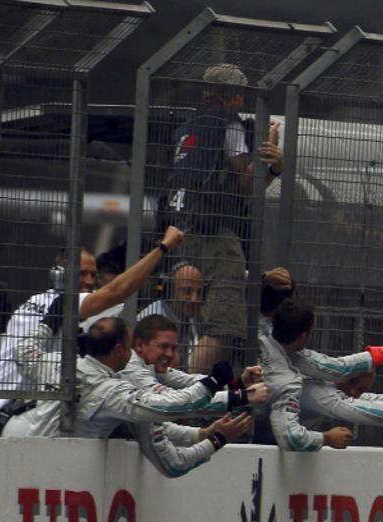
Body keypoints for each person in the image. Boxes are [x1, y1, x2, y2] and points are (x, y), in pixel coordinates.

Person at [0, 226, 185, 433]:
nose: (90, 282)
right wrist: (164, 247)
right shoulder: (66, 303)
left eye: (93, 275)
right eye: (82, 274)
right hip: (10, 413)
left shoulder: (35, 301)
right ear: (59, 275)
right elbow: (119, 290)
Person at [167, 63, 284, 372]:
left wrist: (271, 169)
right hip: (215, 233)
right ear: (233, 96)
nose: (242, 101)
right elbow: (247, 180)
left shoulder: (187, 127)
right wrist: (270, 152)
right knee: (223, 326)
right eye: (241, 95)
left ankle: (186, 384)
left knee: (197, 321)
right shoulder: (229, 123)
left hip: (183, 228)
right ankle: (191, 390)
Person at [259, 295, 383, 452]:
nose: (353, 391)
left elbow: (362, 392)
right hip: (258, 448)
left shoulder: (268, 339)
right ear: (304, 335)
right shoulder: (296, 384)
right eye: (352, 382)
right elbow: (353, 400)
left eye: (360, 389)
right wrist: (326, 438)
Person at [71, 316, 248, 439]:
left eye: (173, 348)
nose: (170, 354)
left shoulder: (73, 367)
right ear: (121, 349)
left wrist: (237, 384)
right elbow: (166, 406)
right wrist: (237, 395)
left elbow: (184, 381)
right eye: (163, 346)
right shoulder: (115, 386)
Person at [138, 261, 204, 368]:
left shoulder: (187, 318)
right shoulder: (153, 320)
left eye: (199, 293)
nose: (195, 299)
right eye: (187, 291)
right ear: (169, 291)